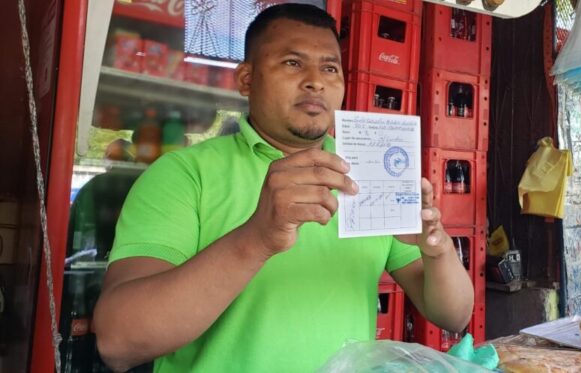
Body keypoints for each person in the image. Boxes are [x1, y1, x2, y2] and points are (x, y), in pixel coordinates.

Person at [92, 4, 474, 372]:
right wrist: (258, 238)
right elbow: (119, 342)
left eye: (330, 67)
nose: (316, 80)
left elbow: (453, 315)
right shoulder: (183, 174)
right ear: (247, 79)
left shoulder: (367, 174)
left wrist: (436, 248)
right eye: (293, 63)